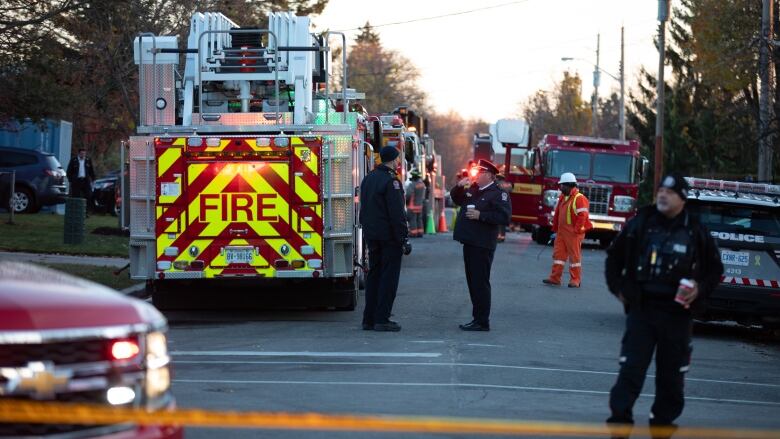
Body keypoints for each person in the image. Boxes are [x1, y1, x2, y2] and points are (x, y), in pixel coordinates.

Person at [604, 173, 723, 437]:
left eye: (669, 192)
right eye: (660, 190)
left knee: (671, 378)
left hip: (677, 315)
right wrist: (620, 290)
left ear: (682, 199)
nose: (662, 195)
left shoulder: (695, 230)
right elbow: (614, 258)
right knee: (630, 371)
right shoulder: (641, 223)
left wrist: (699, 289)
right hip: (642, 311)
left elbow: (715, 269)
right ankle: (619, 427)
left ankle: (662, 427)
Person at [450, 159, 511, 331]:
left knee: (480, 282)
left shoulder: (498, 193)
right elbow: (457, 199)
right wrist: (459, 186)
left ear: (490, 176)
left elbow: (504, 217)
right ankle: (477, 318)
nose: (476, 175)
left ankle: (482, 321)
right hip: (469, 241)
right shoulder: (474, 189)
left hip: (482, 244)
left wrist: (480, 215)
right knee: (472, 281)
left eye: (480, 173)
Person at [359, 146, 412, 332]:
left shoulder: (368, 179)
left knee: (374, 276)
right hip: (389, 238)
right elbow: (396, 213)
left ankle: (369, 318)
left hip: (372, 236)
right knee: (388, 279)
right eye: (398, 159)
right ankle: (382, 318)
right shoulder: (391, 182)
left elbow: (363, 208)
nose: (398, 162)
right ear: (393, 160)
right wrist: (403, 238)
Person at [543, 172, 592, 288]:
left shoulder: (579, 198)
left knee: (574, 257)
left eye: (562, 185)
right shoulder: (564, 197)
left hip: (573, 233)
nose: (560, 188)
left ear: (568, 185)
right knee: (558, 255)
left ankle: (575, 280)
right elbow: (559, 214)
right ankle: (555, 278)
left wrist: (576, 230)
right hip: (562, 232)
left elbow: (583, 215)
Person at [405, 169, 425, 237]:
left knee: (412, 219)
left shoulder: (412, 184)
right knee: (419, 219)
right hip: (420, 205)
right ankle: (420, 232)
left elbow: (408, 194)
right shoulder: (422, 184)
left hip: (412, 206)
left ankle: (413, 233)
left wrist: (405, 199)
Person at [495, 173, 513, 242]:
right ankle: (501, 236)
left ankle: (499, 236)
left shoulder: (501, 187)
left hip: (501, 209)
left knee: (500, 224)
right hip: (505, 210)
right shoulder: (505, 186)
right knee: (502, 224)